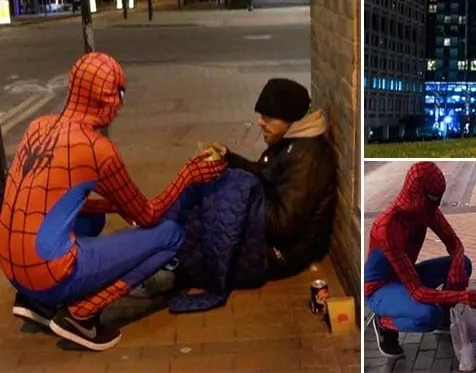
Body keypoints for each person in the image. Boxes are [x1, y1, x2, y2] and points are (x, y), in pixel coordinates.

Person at [1, 52, 227, 351]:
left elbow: (42, 202)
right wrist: (189, 174)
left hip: (12, 269)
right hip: (50, 274)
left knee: (94, 217)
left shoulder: (38, 126)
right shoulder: (98, 148)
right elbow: (148, 215)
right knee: (171, 235)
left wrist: (112, 206)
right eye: (120, 95)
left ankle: (35, 303)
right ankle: (81, 317)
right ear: (107, 100)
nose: (120, 106)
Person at [364, 161, 476, 358]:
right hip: (379, 289)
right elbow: (417, 292)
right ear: (416, 192)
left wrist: (457, 262)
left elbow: (454, 242)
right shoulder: (388, 226)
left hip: (406, 276)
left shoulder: (427, 210)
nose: (436, 205)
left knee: (463, 264)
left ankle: (444, 317)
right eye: (432, 199)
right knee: (429, 315)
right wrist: (462, 296)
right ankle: (383, 323)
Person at [213, 78, 336, 281]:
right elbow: (266, 173)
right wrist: (230, 159)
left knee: (209, 252)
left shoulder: (307, 157)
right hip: (271, 238)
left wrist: (243, 197)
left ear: (289, 118)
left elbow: (283, 225)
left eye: (268, 117)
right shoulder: (291, 141)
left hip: (286, 253)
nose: (260, 122)